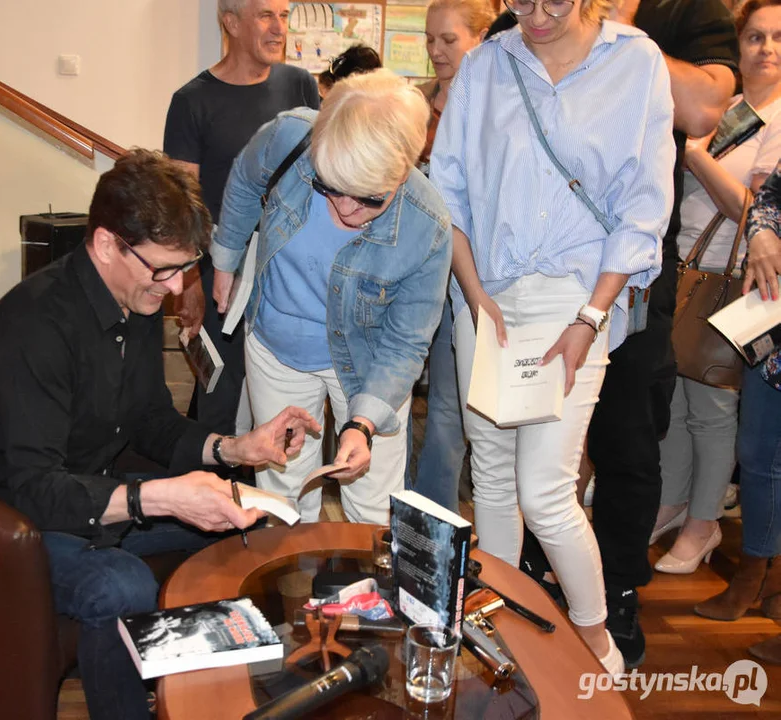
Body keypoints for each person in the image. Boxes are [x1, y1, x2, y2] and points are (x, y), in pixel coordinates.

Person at [0, 150, 321, 720]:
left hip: (90, 489)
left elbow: (149, 420)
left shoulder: (132, 300)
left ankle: (201, 693)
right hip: (6, 523)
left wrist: (234, 450)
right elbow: (36, 490)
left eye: (185, 268)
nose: (173, 289)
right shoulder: (35, 328)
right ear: (106, 245)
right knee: (121, 586)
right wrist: (162, 496)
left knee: (245, 519)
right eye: (163, 269)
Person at [490, 0, 739, 669]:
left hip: (626, 279)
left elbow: (704, 111)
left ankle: (615, 597)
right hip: (526, 282)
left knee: (626, 444)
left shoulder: (683, 15)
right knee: (525, 447)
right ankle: (538, 581)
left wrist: (606, 43)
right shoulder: (520, 26)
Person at [430, 0, 676, 675]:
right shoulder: (485, 65)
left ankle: (596, 640)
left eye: (555, 0)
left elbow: (644, 204)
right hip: (484, 300)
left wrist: (590, 318)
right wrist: (474, 297)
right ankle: (504, 635)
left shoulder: (634, 61)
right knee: (494, 482)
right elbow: (444, 189)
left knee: (544, 488)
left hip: (575, 302)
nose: (534, 14)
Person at [212, 69, 452, 524]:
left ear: (404, 170)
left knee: (371, 501)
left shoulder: (427, 225)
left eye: (368, 200)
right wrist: (226, 256)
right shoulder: (289, 138)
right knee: (283, 489)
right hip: (276, 347)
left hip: (368, 363)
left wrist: (362, 425)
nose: (344, 210)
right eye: (329, 188)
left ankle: (364, 597)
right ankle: (286, 592)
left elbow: (406, 343)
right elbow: (245, 180)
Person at [654, 0, 781, 575]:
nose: (766, 49)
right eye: (754, 36)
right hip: (685, 265)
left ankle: (706, 522)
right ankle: (674, 503)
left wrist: (695, 158)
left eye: (778, 38)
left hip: (735, 282)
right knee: (677, 402)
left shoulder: (779, 118)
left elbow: (755, 211)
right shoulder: (725, 105)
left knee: (710, 403)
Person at [164, 0, 320, 439]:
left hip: (291, 273)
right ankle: (210, 494)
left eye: (284, 16)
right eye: (266, 16)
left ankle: (271, 498)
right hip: (222, 277)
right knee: (219, 395)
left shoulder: (300, 85)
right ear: (230, 22)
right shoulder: (191, 101)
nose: (279, 29)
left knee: (285, 398)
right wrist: (190, 282)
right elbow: (183, 204)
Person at [694, 160, 781, 664]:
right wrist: (764, 236)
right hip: (773, 324)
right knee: (756, 452)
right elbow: (769, 198)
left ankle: (763, 577)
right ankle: (757, 570)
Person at [409, 0, 494, 513]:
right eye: (430, 40)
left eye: (449, 40)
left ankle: (432, 522)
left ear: (480, 39)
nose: (437, 51)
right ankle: (397, 516)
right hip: (412, 276)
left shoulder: (493, 108)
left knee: (447, 406)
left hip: (467, 278)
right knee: (395, 400)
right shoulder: (414, 105)